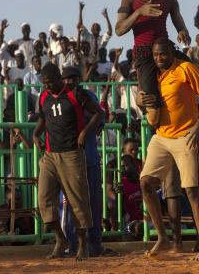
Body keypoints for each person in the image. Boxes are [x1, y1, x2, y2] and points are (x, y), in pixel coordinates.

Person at [139, 37, 199, 262]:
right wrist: (139, 101)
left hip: (186, 136)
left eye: (162, 54)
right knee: (146, 183)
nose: (159, 58)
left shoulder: (186, 68)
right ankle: (162, 237)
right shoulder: (153, 73)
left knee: (191, 190)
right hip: (161, 137)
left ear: (172, 52)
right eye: (155, 55)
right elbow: (140, 98)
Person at [33, 63, 105, 261]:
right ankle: (60, 239)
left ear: (58, 78)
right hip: (49, 155)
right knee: (44, 199)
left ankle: (83, 245)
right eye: (43, 83)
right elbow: (43, 117)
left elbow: (100, 114)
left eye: (49, 82)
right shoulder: (43, 97)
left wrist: (85, 132)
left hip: (72, 154)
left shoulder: (77, 95)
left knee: (77, 200)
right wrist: (36, 135)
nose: (46, 85)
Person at [115, 0, 191, 127]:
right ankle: (142, 104)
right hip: (144, 53)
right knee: (153, 115)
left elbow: (180, 23)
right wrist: (139, 12)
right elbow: (119, 30)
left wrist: (183, 32)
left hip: (166, 49)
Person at [60, 66, 116, 257]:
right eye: (67, 79)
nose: (70, 82)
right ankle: (71, 246)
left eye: (74, 78)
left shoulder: (89, 96)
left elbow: (100, 122)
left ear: (79, 80)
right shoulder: (58, 99)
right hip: (68, 161)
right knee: (70, 206)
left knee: (94, 204)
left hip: (90, 158)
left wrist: (80, 111)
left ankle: (95, 245)